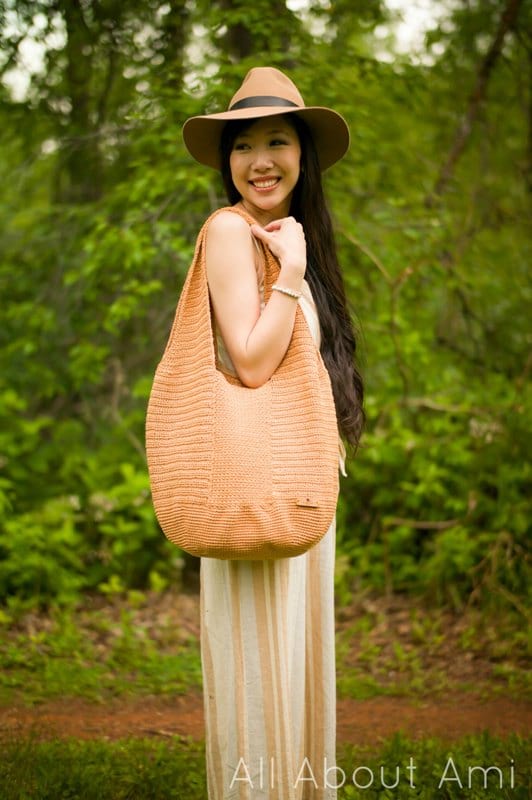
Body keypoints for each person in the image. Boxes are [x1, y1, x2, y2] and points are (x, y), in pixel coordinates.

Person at [182, 66, 364, 800]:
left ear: (303, 155)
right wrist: (290, 272)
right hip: (256, 488)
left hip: (295, 486)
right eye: (243, 144)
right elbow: (253, 364)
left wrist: (294, 260)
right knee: (263, 665)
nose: (260, 160)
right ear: (226, 163)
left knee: (290, 660)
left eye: (277, 140)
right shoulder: (233, 232)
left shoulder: (290, 237)